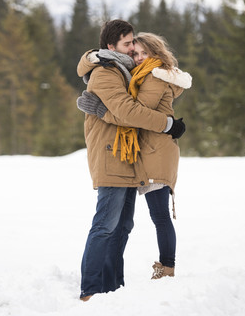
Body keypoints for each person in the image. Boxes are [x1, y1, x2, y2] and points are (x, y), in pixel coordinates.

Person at [76, 20, 185, 302]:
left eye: (135, 45)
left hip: (127, 157)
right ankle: (90, 288)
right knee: (105, 225)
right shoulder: (105, 72)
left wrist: (102, 108)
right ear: (111, 47)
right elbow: (128, 112)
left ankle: (112, 287)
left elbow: (133, 107)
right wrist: (167, 124)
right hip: (111, 156)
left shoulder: (126, 71)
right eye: (127, 45)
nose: (132, 50)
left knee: (123, 226)